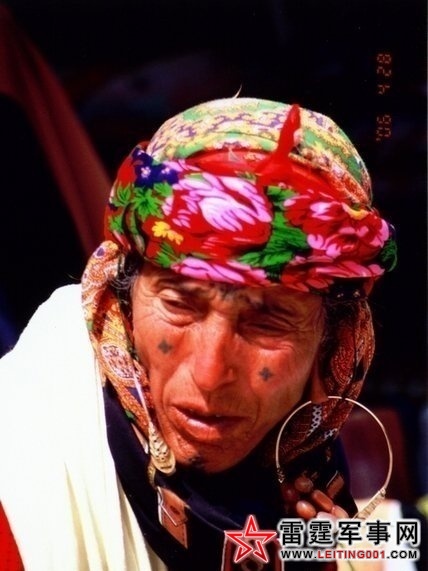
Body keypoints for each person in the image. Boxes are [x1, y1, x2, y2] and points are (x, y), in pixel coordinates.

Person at [0, 98, 396, 571]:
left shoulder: (311, 488)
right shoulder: (18, 483)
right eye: (179, 305)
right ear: (119, 304)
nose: (209, 375)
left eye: (267, 322)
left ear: (335, 345)